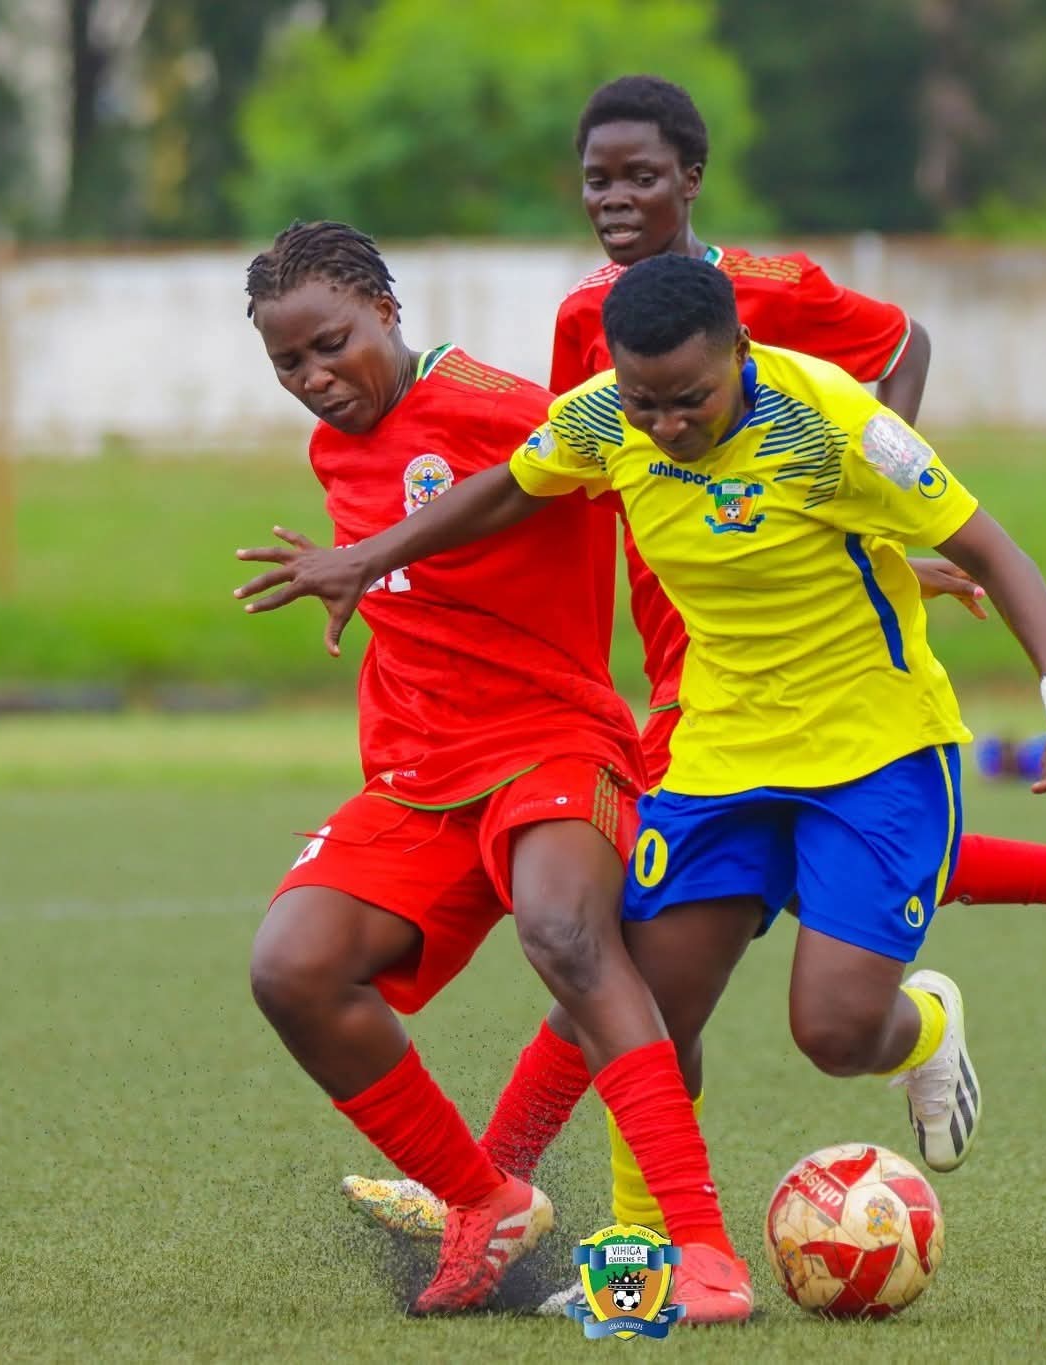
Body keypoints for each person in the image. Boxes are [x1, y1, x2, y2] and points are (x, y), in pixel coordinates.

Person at [341, 75, 1046, 1263]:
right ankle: (579, 1220)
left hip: (833, 673)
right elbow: (544, 474)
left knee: (741, 982)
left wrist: (873, 537)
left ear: (691, 179)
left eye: (640, 175)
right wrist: (366, 558)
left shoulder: (791, 340)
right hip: (694, 670)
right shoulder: (594, 335)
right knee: (630, 963)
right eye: (596, 177)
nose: (616, 198)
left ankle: (511, 1177)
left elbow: (906, 360)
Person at [233, 221, 746, 1317]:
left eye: (331, 344)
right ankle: (481, 1196)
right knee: (291, 968)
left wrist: (684, 691)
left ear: (386, 309)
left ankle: (701, 1249)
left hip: (552, 742)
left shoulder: (496, 405)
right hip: (416, 775)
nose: (315, 378)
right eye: (288, 364)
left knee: (565, 933)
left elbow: (661, 497)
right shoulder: (336, 445)